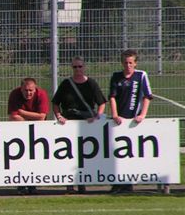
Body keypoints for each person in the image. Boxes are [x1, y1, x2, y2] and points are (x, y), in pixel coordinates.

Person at [52, 57, 106, 194]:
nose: (78, 69)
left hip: (86, 123)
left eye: (80, 66)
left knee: (86, 155)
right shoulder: (66, 84)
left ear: (84, 67)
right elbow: (55, 103)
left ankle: (83, 183)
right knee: (69, 154)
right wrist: (59, 116)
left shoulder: (91, 83)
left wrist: (97, 117)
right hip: (69, 122)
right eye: (75, 67)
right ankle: (70, 185)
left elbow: (102, 103)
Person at [108, 49, 153, 194]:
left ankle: (127, 184)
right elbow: (112, 96)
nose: (128, 65)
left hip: (133, 121)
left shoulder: (141, 75)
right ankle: (117, 183)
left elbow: (147, 96)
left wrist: (142, 115)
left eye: (131, 63)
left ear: (135, 63)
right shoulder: (116, 76)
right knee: (116, 153)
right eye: (125, 63)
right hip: (119, 120)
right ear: (122, 63)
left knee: (130, 153)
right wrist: (115, 115)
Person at [7, 78, 49, 194]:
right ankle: (21, 184)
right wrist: (31, 119)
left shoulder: (41, 94)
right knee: (20, 157)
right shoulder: (15, 94)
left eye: (31, 90)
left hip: (38, 132)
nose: (28, 93)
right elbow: (13, 117)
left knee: (35, 157)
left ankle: (32, 184)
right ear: (21, 89)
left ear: (35, 89)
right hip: (19, 133)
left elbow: (42, 117)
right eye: (26, 90)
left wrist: (22, 112)